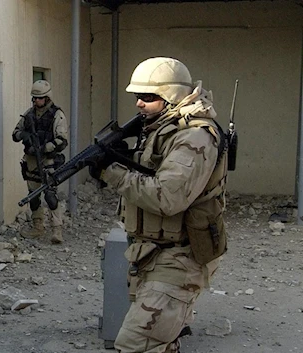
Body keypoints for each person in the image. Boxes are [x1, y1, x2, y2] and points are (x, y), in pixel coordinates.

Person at [88, 57, 228, 352]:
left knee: (134, 344)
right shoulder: (162, 127)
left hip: (179, 258)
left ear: (172, 96)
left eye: (148, 97)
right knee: (160, 344)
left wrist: (110, 170)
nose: (139, 103)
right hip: (151, 253)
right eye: (136, 96)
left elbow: (168, 197)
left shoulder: (195, 136)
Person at [12, 80, 68, 243]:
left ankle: (57, 230)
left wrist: (44, 148)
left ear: (47, 97)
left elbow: (62, 140)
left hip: (48, 161)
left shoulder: (57, 115)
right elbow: (15, 133)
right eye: (34, 98)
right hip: (31, 162)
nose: (36, 101)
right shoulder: (29, 114)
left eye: (39, 98)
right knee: (33, 196)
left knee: (51, 196)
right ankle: (38, 226)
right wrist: (25, 136)